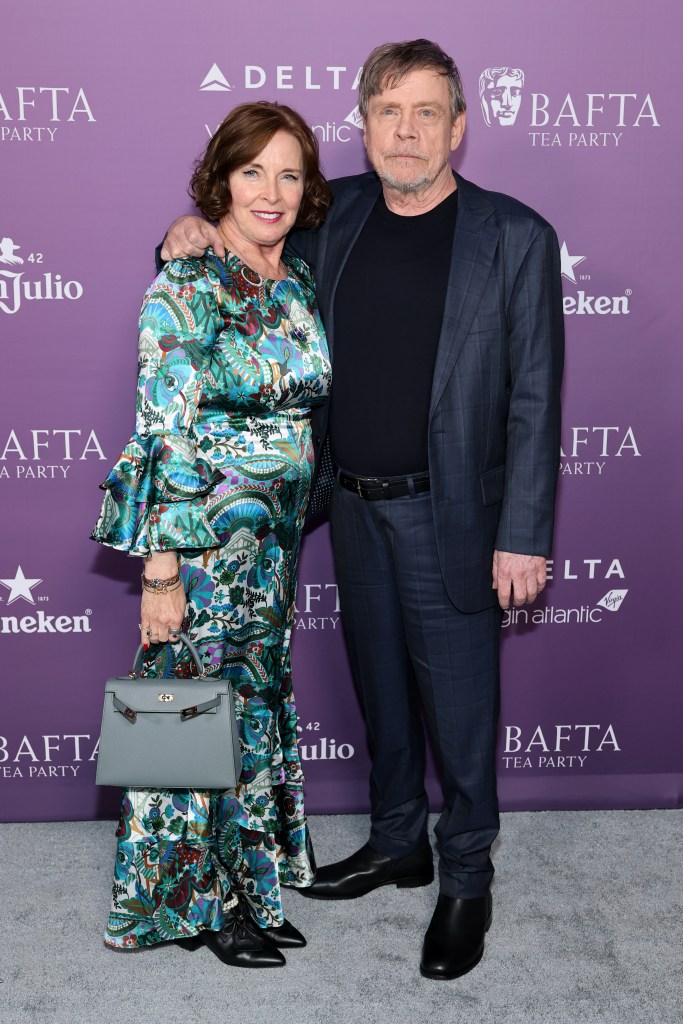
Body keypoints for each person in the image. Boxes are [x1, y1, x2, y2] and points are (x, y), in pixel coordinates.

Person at [162, 38, 564, 980]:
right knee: (380, 688)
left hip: (452, 514)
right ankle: (396, 842)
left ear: (457, 128)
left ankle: (466, 878)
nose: (405, 131)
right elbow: (243, 244)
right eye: (388, 111)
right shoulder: (330, 215)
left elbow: (535, 399)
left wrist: (522, 535)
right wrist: (189, 229)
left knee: (459, 711)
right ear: (365, 125)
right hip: (347, 506)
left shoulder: (514, 236)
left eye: (426, 112)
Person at [91, 101, 332, 968]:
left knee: (251, 704)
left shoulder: (295, 282)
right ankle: (200, 903)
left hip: (270, 551)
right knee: (191, 715)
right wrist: (160, 573)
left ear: (306, 190)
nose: (270, 190)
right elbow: (163, 432)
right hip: (200, 551)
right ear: (219, 181)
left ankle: (254, 884)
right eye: (251, 171)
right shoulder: (185, 284)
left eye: (288, 173)